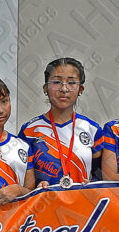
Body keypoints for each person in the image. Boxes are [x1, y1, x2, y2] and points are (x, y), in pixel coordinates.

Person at [19, 57, 102, 188]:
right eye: (56, 82)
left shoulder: (92, 129)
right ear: (45, 88)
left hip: (83, 205)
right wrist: (35, 185)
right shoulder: (29, 130)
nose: (64, 88)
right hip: (43, 205)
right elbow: (20, 176)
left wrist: (93, 184)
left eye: (71, 82)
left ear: (81, 89)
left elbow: (102, 173)